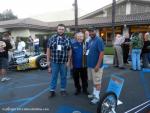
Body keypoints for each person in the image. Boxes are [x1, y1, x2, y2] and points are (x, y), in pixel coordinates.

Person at [47, 24, 72, 97]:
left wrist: (68, 61)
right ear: (57, 29)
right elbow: (48, 50)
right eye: (59, 29)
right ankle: (52, 90)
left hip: (64, 62)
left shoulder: (67, 38)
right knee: (54, 76)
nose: (61, 30)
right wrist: (48, 61)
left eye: (62, 29)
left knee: (63, 76)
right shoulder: (52, 38)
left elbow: (70, 50)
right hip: (54, 62)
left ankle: (63, 90)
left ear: (64, 30)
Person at [87, 28, 104, 104]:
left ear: (96, 31)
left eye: (92, 31)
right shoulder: (90, 40)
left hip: (96, 66)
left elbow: (101, 53)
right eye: (90, 31)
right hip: (90, 65)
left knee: (97, 82)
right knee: (93, 81)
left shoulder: (99, 40)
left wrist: (98, 65)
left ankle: (97, 97)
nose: (91, 33)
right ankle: (94, 94)